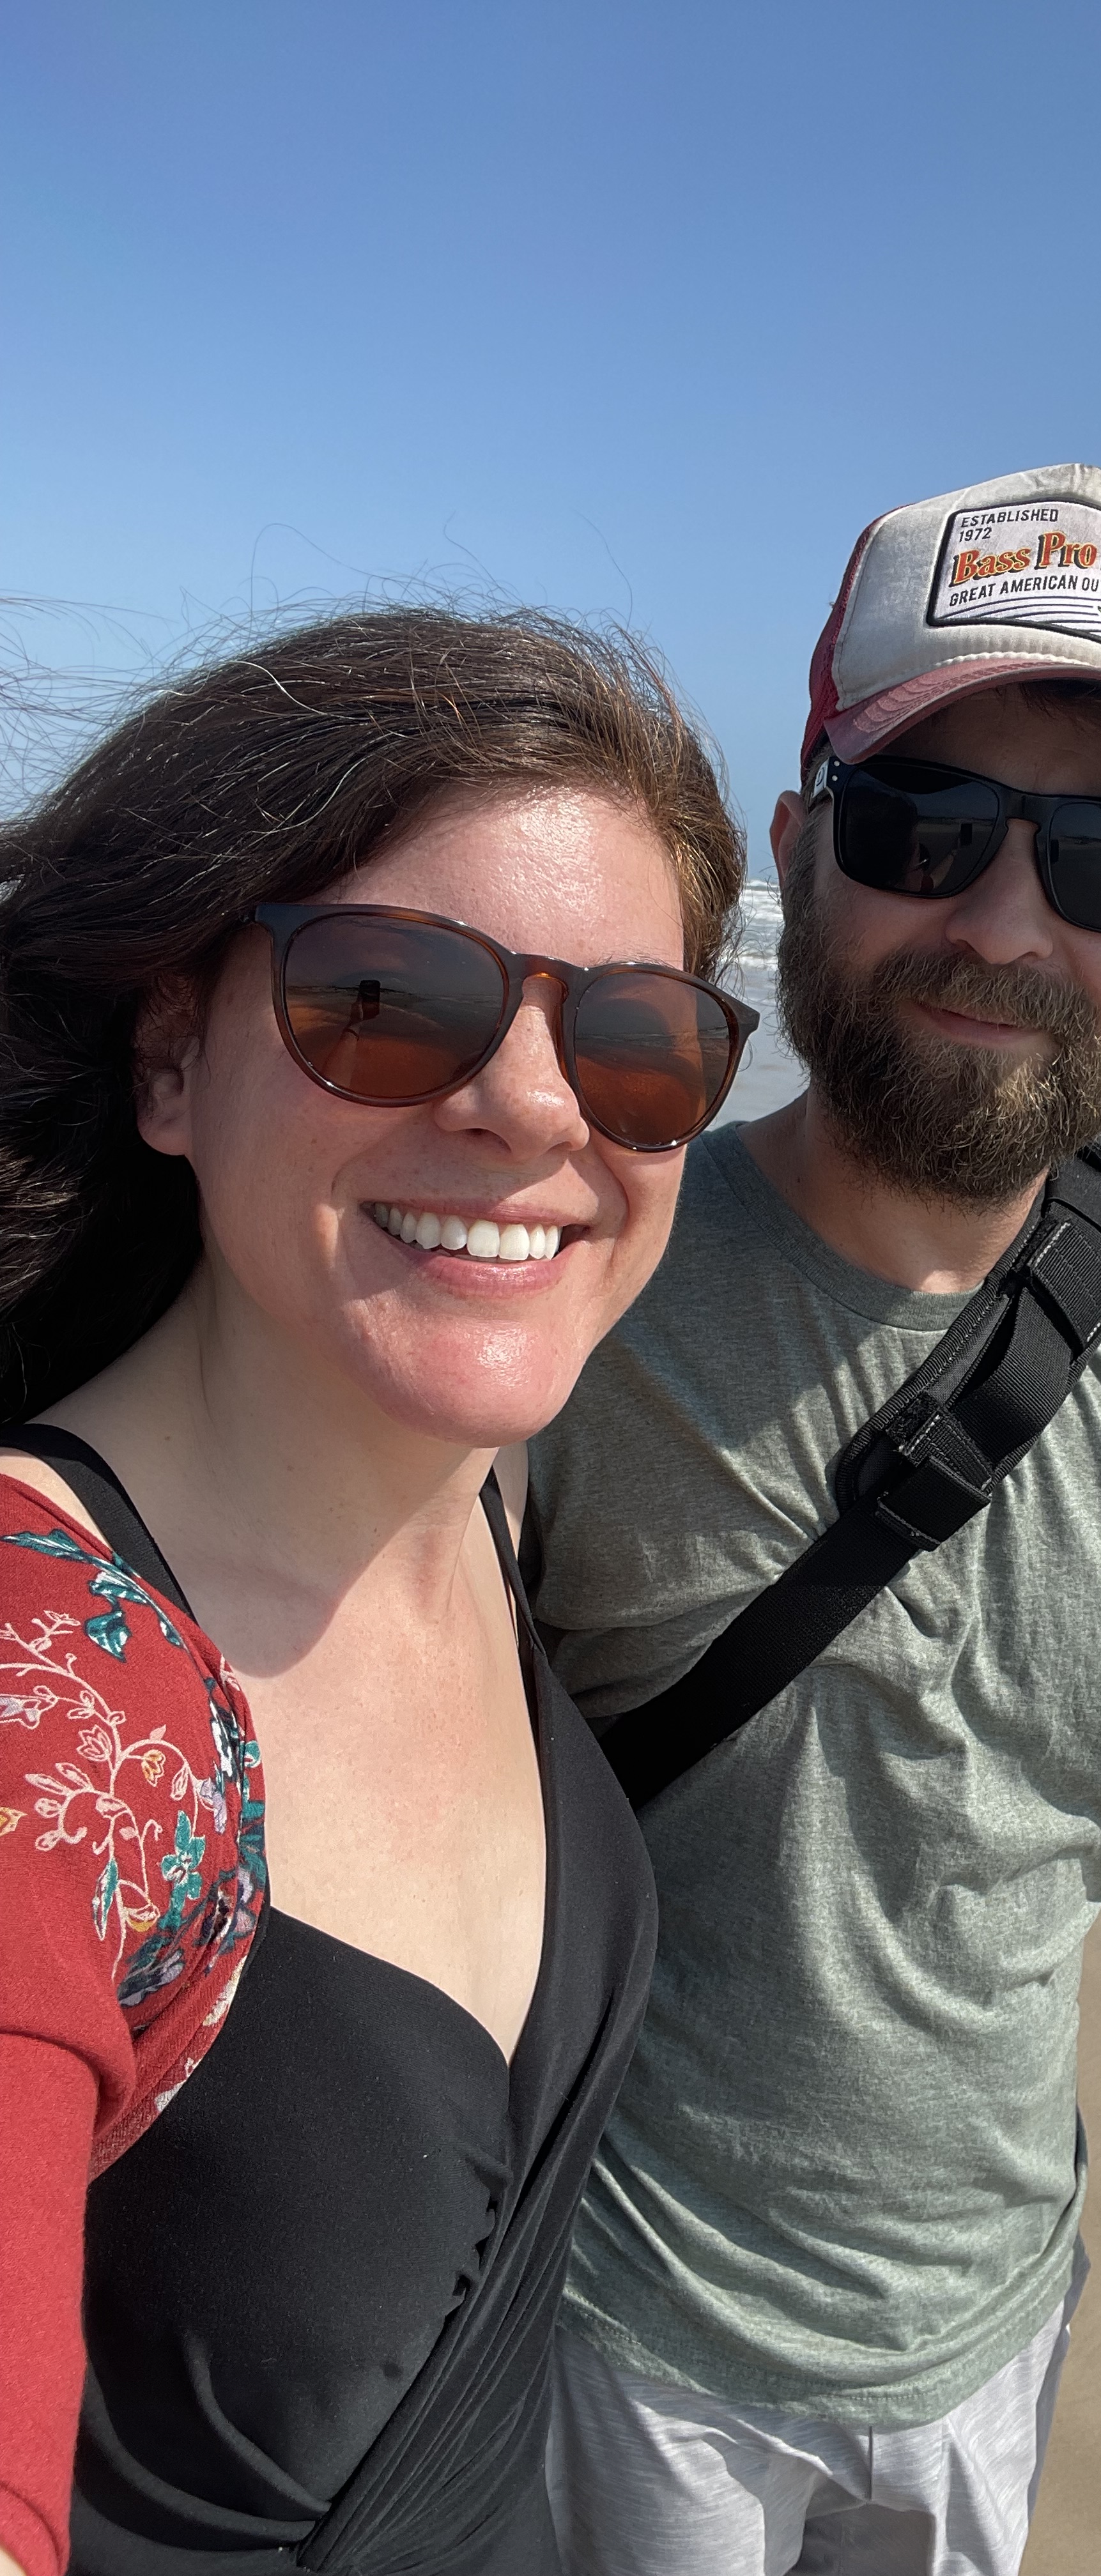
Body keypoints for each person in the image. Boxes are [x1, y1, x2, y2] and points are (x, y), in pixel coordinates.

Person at [528, 465, 1101, 2574]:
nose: (1012, 925)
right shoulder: (575, 1279)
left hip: (1000, 2334)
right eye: (926, 827)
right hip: (622, 2330)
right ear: (796, 852)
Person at [0, 606, 753, 2576]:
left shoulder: (480, 1504)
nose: (539, 1106)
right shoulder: (42, 1694)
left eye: (639, 1039)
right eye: (389, 998)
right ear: (172, 1056)